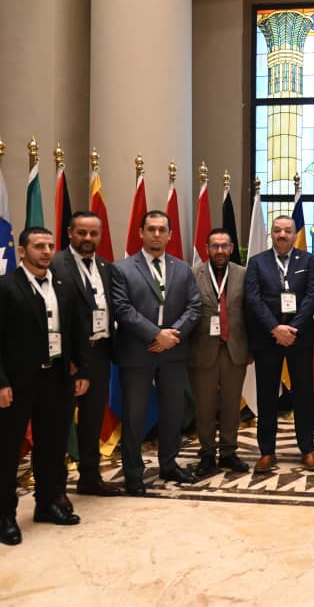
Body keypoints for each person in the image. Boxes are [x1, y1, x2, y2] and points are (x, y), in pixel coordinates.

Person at [0, 226, 90, 545]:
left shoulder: (63, 285)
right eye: (38, 246)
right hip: (16, 384)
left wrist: (81, 370)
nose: (46, 251)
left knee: (52, 447)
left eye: (50, 246)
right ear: (22, 251)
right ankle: (6, 517)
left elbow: (75, 332)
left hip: (56, 380)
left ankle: (46, 504)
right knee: (9, 451)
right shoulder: (3, 287)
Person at [111, 210, 201, 496]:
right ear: (141, 232)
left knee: (173, 412)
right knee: (134, 416)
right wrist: (155, 334)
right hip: (137, 352)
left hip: (173, 352)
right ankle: (133, 474)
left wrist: (172, 335)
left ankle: (169, 464)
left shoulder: (182, 269)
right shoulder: (122, 269)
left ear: (170, 235)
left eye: (162, 229)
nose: (157, 234)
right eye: (151, 229)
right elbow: (122, 308)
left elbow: (194, 306)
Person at [49, 211, 121, 497]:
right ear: (70, 233)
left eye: (93, 233)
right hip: (67, 360)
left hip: (99, 353)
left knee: (92, 421)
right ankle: (55, 489)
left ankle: (90, 478)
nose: (88, 238)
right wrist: (70, 360)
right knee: (59, 424)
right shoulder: (56, 264)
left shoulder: (105, 267)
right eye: (82, 232)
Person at [245, 214, 314, 473]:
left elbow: (312, 296)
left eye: (287, 230)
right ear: (271, 234)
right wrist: (275, 328)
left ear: (294, 234)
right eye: (277, 230)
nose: (282, 235)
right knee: (267, 396)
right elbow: (253, 299)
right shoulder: (257, 262)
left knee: (304, 396)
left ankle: (307, 449)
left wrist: (293, 328)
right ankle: (267, 452)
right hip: (268, 338)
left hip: (300, 338)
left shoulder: (308, 260)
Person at [190, 228, 251, 477]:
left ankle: (228, 451)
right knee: (204, 405)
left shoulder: (244, 274)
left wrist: (251, 348)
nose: (220, 251)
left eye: (224, 246)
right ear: (207, 249)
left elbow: (250, 311)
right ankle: (206, 452)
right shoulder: (193, 274)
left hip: (235, 348)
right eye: (215, 246)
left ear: (231, 248)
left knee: (231, 404)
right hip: (203, 349)